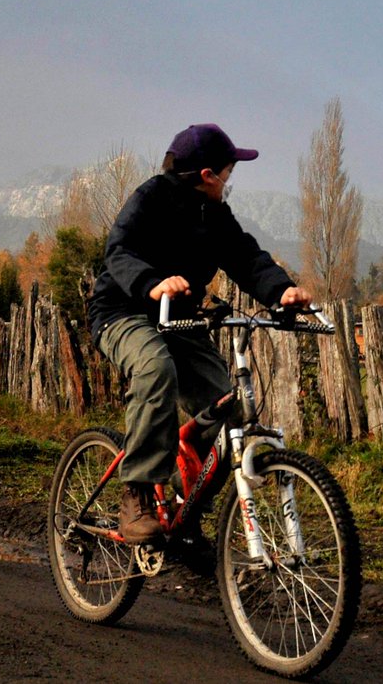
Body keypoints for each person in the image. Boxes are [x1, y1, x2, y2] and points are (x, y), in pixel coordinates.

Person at [87, 123, 313, 545]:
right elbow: (118, 249)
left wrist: (282, 292)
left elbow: (246, 257)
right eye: (229, 172)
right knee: (155, 370)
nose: (230, 182)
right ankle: (136, 493)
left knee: (225, 413)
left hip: (182, 320)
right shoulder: (150, 198)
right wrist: (152, 282)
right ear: (209, 175)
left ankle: (183, 508)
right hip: (122, 312)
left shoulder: (215, 215)